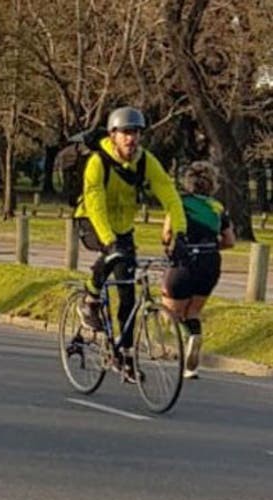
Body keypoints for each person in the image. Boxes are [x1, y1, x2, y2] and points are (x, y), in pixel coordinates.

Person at [74, 106, 186, 379]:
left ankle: (124, 356)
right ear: (113, 135)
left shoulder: (145, 161)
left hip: (123, 227)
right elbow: (95, 202)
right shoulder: (98, 162)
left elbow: (169, 193)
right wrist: (109, 241)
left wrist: (180, 233)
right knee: (113, 257)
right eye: (125, 133)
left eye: (135, 133)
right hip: (91, 221)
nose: (131, 139)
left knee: (128, 294)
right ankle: (89, 298)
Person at [161, 161, 235, 379]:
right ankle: (194, 340)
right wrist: (211, 246)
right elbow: (229, 240)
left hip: (184, 260)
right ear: (212, 184)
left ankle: (188, 340)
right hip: (210, 262)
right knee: (193, 311)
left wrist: (168, 246)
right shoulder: (217, 207)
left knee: (171, 311)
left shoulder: (179, 203)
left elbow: (166, 234)